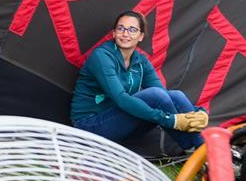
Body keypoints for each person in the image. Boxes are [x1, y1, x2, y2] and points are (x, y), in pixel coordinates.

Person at [71, 10, 208, 151]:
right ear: (114, 33)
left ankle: (200, 150)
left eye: (132, 30)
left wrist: (201, 112)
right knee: (155, 95)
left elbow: (165, 96)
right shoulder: (101, 56)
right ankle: (201, 150)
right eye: (120, 28)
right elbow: (121, 99)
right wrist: (170, 120)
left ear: (140, 36)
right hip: (89, 126)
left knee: (176, 95)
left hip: (120, 123)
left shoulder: (140, 61)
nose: (125, 34)